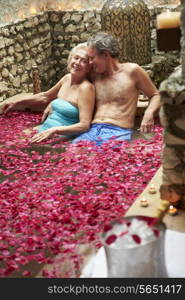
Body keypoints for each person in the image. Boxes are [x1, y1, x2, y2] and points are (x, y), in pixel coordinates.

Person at [72, 32, 161, 146]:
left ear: (105, 55)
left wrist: (149, 113)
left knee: (103, 159)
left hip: (118, 132)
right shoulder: (94, 74)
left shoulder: (132, 71)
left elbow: (156, 95)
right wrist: (54, 102)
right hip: (92, 130)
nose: (90, 62)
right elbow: (72, 82)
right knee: (72, 151)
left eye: (92, 58)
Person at [0, 43, 95, 143]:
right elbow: (45, 97)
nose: (77, 63)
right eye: (76, 58)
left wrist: (55, 130)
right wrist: (18, 102)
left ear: (89, 68)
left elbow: (84, 125)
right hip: (45, 130)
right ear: (70, 59)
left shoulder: (86, 88)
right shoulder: (67, 78)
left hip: (62, 137)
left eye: (83, 61)